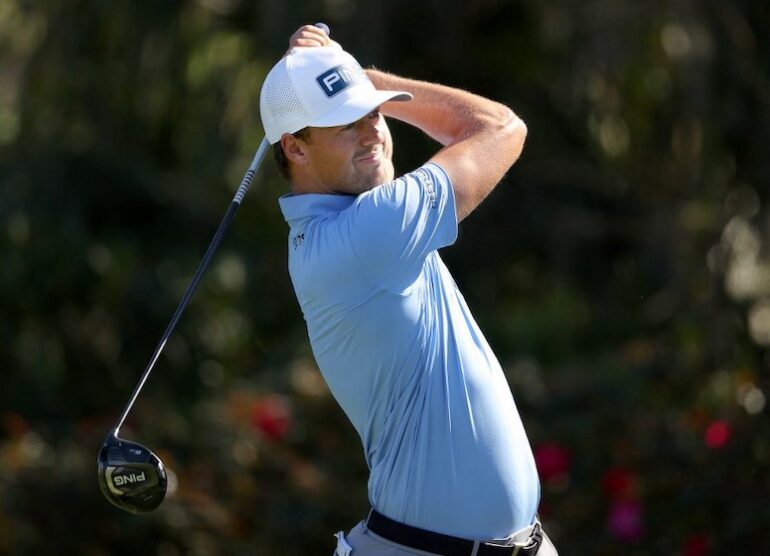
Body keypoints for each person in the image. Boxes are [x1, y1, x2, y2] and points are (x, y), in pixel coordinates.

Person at [259, 25, 558, 556]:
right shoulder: (369, 233)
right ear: (293, 148)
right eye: (345, 122)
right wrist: (370, 79)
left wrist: (347, 80)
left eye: (374, 112)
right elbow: (500, 127)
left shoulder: (346, 225)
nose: (373, 131)